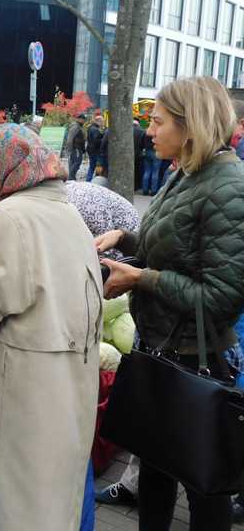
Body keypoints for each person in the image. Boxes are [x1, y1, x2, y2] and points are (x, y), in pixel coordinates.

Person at [97, 76, 244, 531]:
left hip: (196, 361)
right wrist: (126, 238)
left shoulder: (229, 187)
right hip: (160, 350)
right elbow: (173, 245)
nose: (150, 132)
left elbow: (222, 297)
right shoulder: (185, 171)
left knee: (204, 491)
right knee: (156, 474)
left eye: (158, 122)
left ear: (190, 124)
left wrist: (141, 277)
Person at [0, 124, 102, 531]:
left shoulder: (10, 218)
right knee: (49, 510)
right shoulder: (70, 213)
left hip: (21, 403)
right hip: (66, 398)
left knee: (4, 509)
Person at [65, 114, 87, 180]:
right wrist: (70, 149)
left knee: (73, 163)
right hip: (75, 148)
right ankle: (70, 178)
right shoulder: (75, 127)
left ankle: (72, 178)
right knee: (77, 163)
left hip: (76, 148)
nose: (84, 121)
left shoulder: (78, 126)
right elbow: (70, 138)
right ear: (79, 119)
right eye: (83, 119)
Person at [86, 115, 105, 182]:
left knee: (92, 166)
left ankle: (89, 180)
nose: (103, 123)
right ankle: (95, 181)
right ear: (98, 121)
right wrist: (103, 139)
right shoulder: (95, 129)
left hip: (91, 150)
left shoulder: (91, 127)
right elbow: (96, 141)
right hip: (95, 151)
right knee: (97, 166)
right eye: (102, 121)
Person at [133, 119, 145, 190]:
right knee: (138, 170)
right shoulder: (141, 131)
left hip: (129, 155)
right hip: (138, 154)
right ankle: (137, 186)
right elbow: (143, 144)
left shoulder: (126, 131)